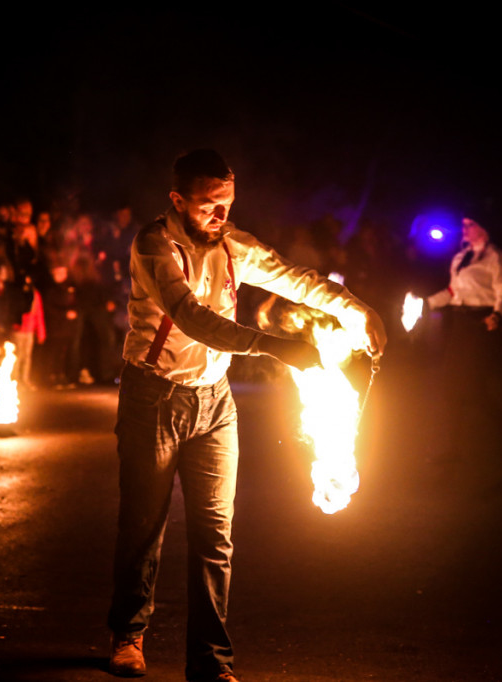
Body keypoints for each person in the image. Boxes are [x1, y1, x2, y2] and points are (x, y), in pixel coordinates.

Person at [107, 150, 387, 682]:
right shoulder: (153, 244)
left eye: (227, 205)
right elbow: (193, 318)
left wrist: (356, 309)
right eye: (209, 207)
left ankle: (211, 660)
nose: (220, 217)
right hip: (154, 399)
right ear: (177, 201)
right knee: (143, 528)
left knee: (215, 534)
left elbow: (295, 278)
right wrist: (274, 347)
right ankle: (128, 634)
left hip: (215, 402)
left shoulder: (235, 244)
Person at [425, 215, 502, 461]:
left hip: (481, 324)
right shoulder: (460, 258)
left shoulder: (495, 258)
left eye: (470, 224)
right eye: (463, 224)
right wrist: (428, 303)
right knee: (451, 388)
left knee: (474, 390)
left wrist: (497, 315)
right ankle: (451, 449)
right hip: (460, 324)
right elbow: (453, 291)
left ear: (483, 229)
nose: (464, 229)